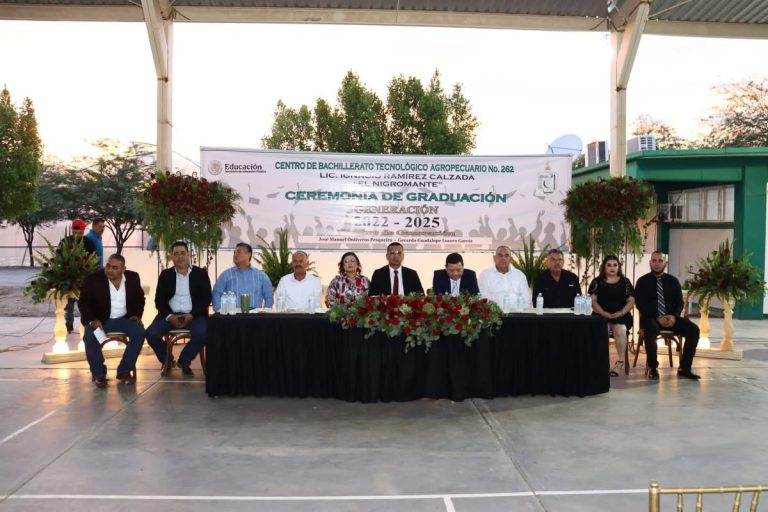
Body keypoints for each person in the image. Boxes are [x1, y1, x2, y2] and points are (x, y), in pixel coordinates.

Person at [78, 254, 146, 388]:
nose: (109, 270)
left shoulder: (133, 278)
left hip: (124, 319)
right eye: (108, 266)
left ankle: (124, 370)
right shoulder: (94, 279)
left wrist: (137, 315)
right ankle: (99, 374)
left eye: (114, 268)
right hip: (101, 320)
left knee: (140, 332)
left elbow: (140, 298)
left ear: (123, 269)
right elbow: (83, 303)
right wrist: (92, 320)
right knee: (90, 337)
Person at [145, 240, 212, 376]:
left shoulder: (200, 274)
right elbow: (159, 300)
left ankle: (184, 361)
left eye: (183, 253)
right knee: (151, 333)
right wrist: (170, 316)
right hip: (170, 316)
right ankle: (167, 359)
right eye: (176, 254)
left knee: (204, 333)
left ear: (189, 255)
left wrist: (192, 315)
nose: (180, 256)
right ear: (172, 256)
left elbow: (206, 298)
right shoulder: (166, 275)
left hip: (194, 316)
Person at [634, 251, 701, 380]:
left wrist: (674, 316)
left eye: (660, 261)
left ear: (665, 263)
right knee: (651, 329)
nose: (657, 264)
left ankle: (684, 368)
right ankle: (653, 368)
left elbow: (680, 302)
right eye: (654, 261)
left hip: (671, 318)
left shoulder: (673, 281)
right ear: (650, 263)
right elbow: (640, 304)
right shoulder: (642, 282)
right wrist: (656, 317)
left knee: (694, 330)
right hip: (650, 318)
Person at [587, 255, 635, 377]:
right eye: (609, 265)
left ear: (618, 267)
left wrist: (621, 312)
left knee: (620, 329)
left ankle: (620, 363)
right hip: (601, 314)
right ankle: (601, 363)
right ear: (604, 267)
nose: (612, 268)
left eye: (615, 265)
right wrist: (604, 313)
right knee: (603, 329)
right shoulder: (597, 282)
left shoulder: (625, 282)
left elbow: (631, 301)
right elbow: (593, 301)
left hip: (622, 315)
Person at [59, 218, 98, 334]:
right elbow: (59, 258)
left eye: (80, 233)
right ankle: (69, 323)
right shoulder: (65, 241)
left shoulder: (89, 243)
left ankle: (86, 324)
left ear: (83, 231)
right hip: (69, 277)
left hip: (85, 277)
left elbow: (94, 259)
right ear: (71, 230)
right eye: (75, 233)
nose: (77, 235)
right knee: (70, 301)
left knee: (85, 302)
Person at [211, 242, 273, 312]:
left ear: (248, 255)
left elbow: (269, 298)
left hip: (255, 317)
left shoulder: (261, 276)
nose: (235, 255)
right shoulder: (226, 275)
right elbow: (216, 293)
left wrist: (264, 314)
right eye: (234, 252)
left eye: (239, 252)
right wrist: (219, 311)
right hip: (232, 317)